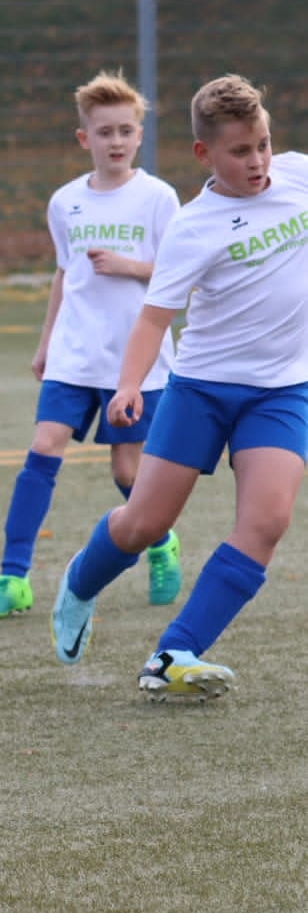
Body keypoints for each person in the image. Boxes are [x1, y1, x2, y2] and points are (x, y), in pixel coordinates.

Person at [50, 74, 308, 701]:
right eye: (240, 151)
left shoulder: (299, 175)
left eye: (263, 144)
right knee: (143, 523)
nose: (258, 161)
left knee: (267, 522)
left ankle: (175, 652)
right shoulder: (193, 227)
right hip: (201, 390)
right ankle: (81, 582)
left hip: (282, 391)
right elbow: (154, 317)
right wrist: (129, 385)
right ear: (204, 153)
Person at [0, 72, 183, 619]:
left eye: (126, 131)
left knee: (128, 474)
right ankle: (13, 577)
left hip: (136, 361)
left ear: (140, 136)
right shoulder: (66, 202)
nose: (116, 141)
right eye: (105, 132)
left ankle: (161, 544)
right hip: (74, 356)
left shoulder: (158, 198)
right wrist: (46, 343)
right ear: (84, 138)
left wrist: (128, 266)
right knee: (44, 447)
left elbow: (180, 273)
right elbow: (65, 275)